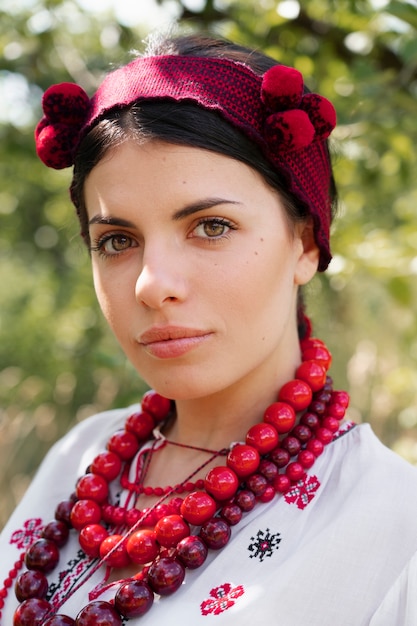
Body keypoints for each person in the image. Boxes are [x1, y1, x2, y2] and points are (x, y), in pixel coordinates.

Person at [1, 32, 416, 626]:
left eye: (212, 226)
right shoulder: (81, 458)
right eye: (117, 241)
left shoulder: (395, 528)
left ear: (304, 243)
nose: (151, 284)